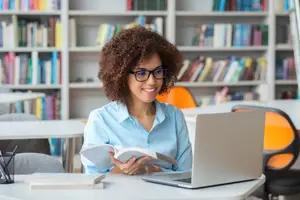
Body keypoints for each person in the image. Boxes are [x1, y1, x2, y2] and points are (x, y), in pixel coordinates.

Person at [81, 26, 192, 175]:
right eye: (141, 73)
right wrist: (121, 171)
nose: (152, 81)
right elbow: (93, 179)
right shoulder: (101, 119)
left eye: (158, 71)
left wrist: (152, 169)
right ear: (122, 76)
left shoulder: (175, 116)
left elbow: (187, 173)